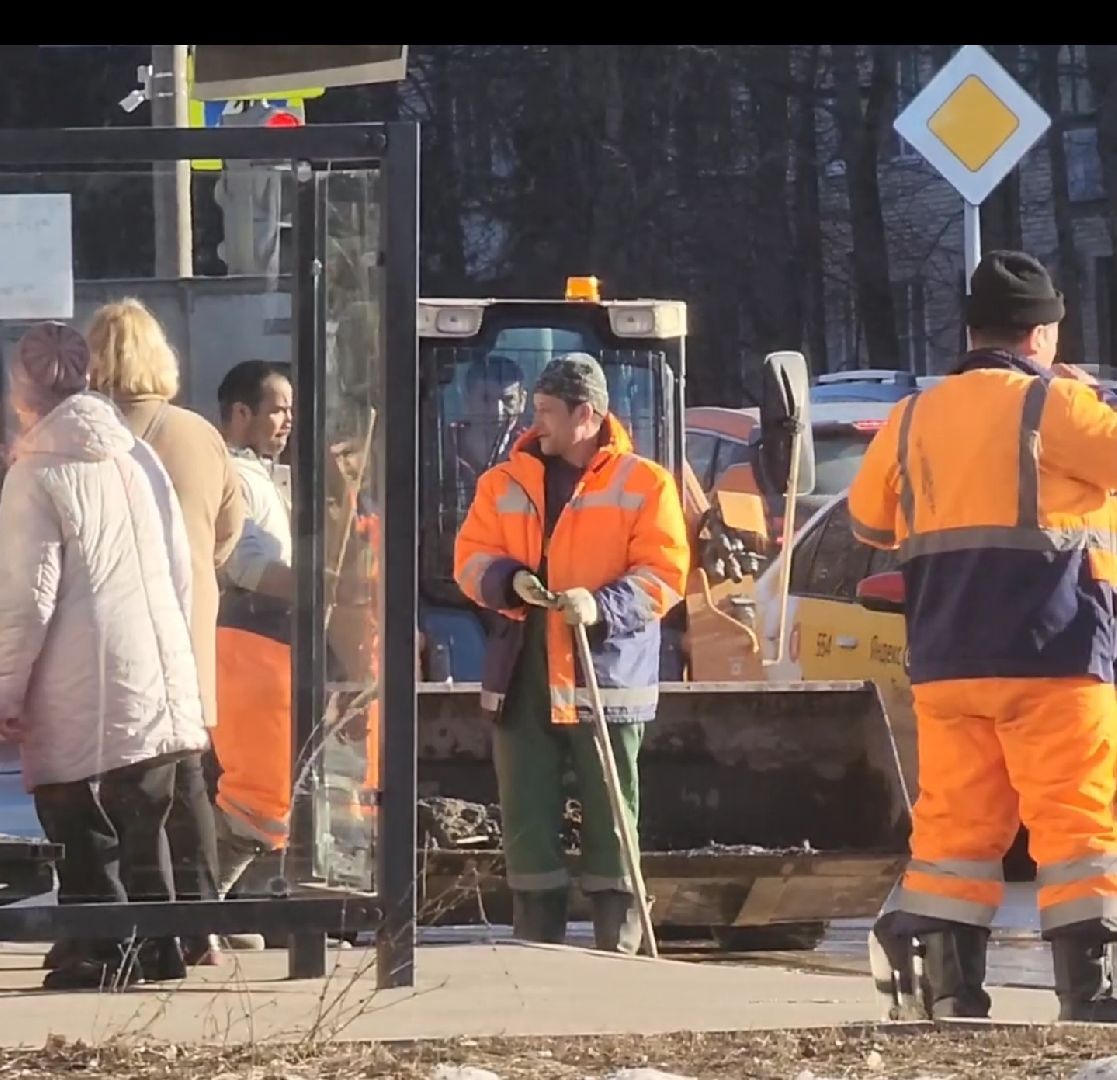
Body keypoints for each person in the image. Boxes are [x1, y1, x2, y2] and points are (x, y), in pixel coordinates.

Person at [849, 250, 1117, 1022]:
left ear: (971, 333)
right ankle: (1089, 994)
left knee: (954, 827)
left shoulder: (909, 417)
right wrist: (1087, 399)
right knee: (1074, 819)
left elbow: (867, 522)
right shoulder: (1055, 406)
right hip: (1053, 651)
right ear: (1039, 336)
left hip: (947, 659)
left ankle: (949, 991)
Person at [453, 353, 689, 954]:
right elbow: (471, 558)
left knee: (611, 808)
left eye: (547, 412)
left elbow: (664, 573)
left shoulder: (646, 484)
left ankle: (618, 938)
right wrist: (508, 581)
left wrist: (601, 605)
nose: (535, 424)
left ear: (586, 415)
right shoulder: (502, 482)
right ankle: (537, 938)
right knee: (527, 811)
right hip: (523, 668)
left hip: (603, 670)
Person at [0, 322, 208, 989]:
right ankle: (160, 949)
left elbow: (26, 601)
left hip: (79, 677)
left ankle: (100, 950)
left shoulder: (36, 474)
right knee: (144, 815)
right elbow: (180, 567)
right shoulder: (135, 456)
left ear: (21, 391)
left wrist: (6, 691)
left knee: (77, 815)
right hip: (155, 664)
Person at [86, 297, 245, 967]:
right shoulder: (199, 433)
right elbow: (230, 529)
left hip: (119, 630)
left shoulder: (89, 437)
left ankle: (146, 929)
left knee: (134, 787)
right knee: (188, 776)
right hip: (190, 625)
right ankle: (201, 926)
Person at [209, 360, 294, 923]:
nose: (288, 421)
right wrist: (328, 587)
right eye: (278, 409)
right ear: (242, 412)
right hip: (250, 638)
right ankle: (202, 912)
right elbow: (248, 565)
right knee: (258, 793)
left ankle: (235, 913)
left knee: (264, 789)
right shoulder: (237, 478)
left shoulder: (257, 474)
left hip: (261, 640)